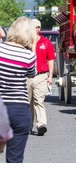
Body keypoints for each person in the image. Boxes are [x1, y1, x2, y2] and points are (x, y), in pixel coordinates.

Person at [0, 17, 37, 162]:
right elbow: (31, 74)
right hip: (20, 111)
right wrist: (31, 48)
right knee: (15, 160)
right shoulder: (29, 56)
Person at [27, 19, 55, 136]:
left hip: (41, 76)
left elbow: (51, 60)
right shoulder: (25, 43)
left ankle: (41, 125)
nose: (36, 29)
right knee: (28, 103)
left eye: (37, 27)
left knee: (39, 101)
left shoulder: (46, 42)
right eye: (34, 27)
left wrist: (50, 76)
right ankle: (28, 125)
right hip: (27, 76)